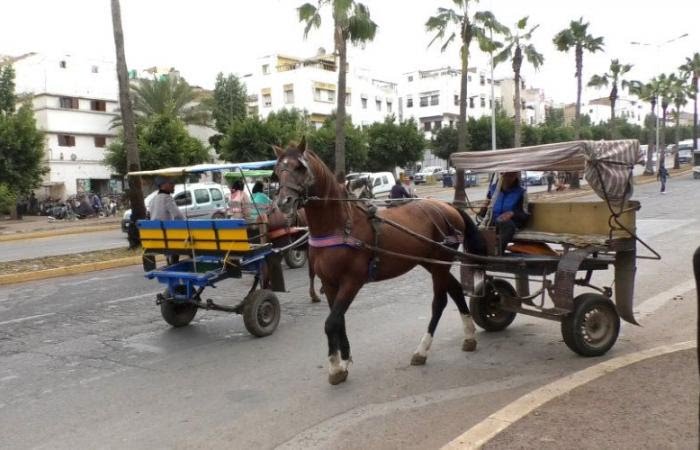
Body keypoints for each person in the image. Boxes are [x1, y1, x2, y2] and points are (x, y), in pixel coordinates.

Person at [478, 171, 530, 255]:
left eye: (512, 175)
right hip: (494, 220)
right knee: (476, 228)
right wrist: (482, 210)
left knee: (507, 225)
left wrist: (512, 213)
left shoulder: (521, 193)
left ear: (515, 175)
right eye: (506, 174)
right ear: (501, 175)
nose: (509, 177)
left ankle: (498, 252)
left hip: (511, 223)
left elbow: (525, 215)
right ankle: (477, 252)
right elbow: (485, 214)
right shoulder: (493, 189)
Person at [149, 176, 185, 265]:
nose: (174, 186)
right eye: (171, 183)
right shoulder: (167, 198)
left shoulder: (153, 199)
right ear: (164, 185)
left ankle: (170, 260)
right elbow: (178, 216)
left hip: (155, 235)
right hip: (166, 236)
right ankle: (174, 262)